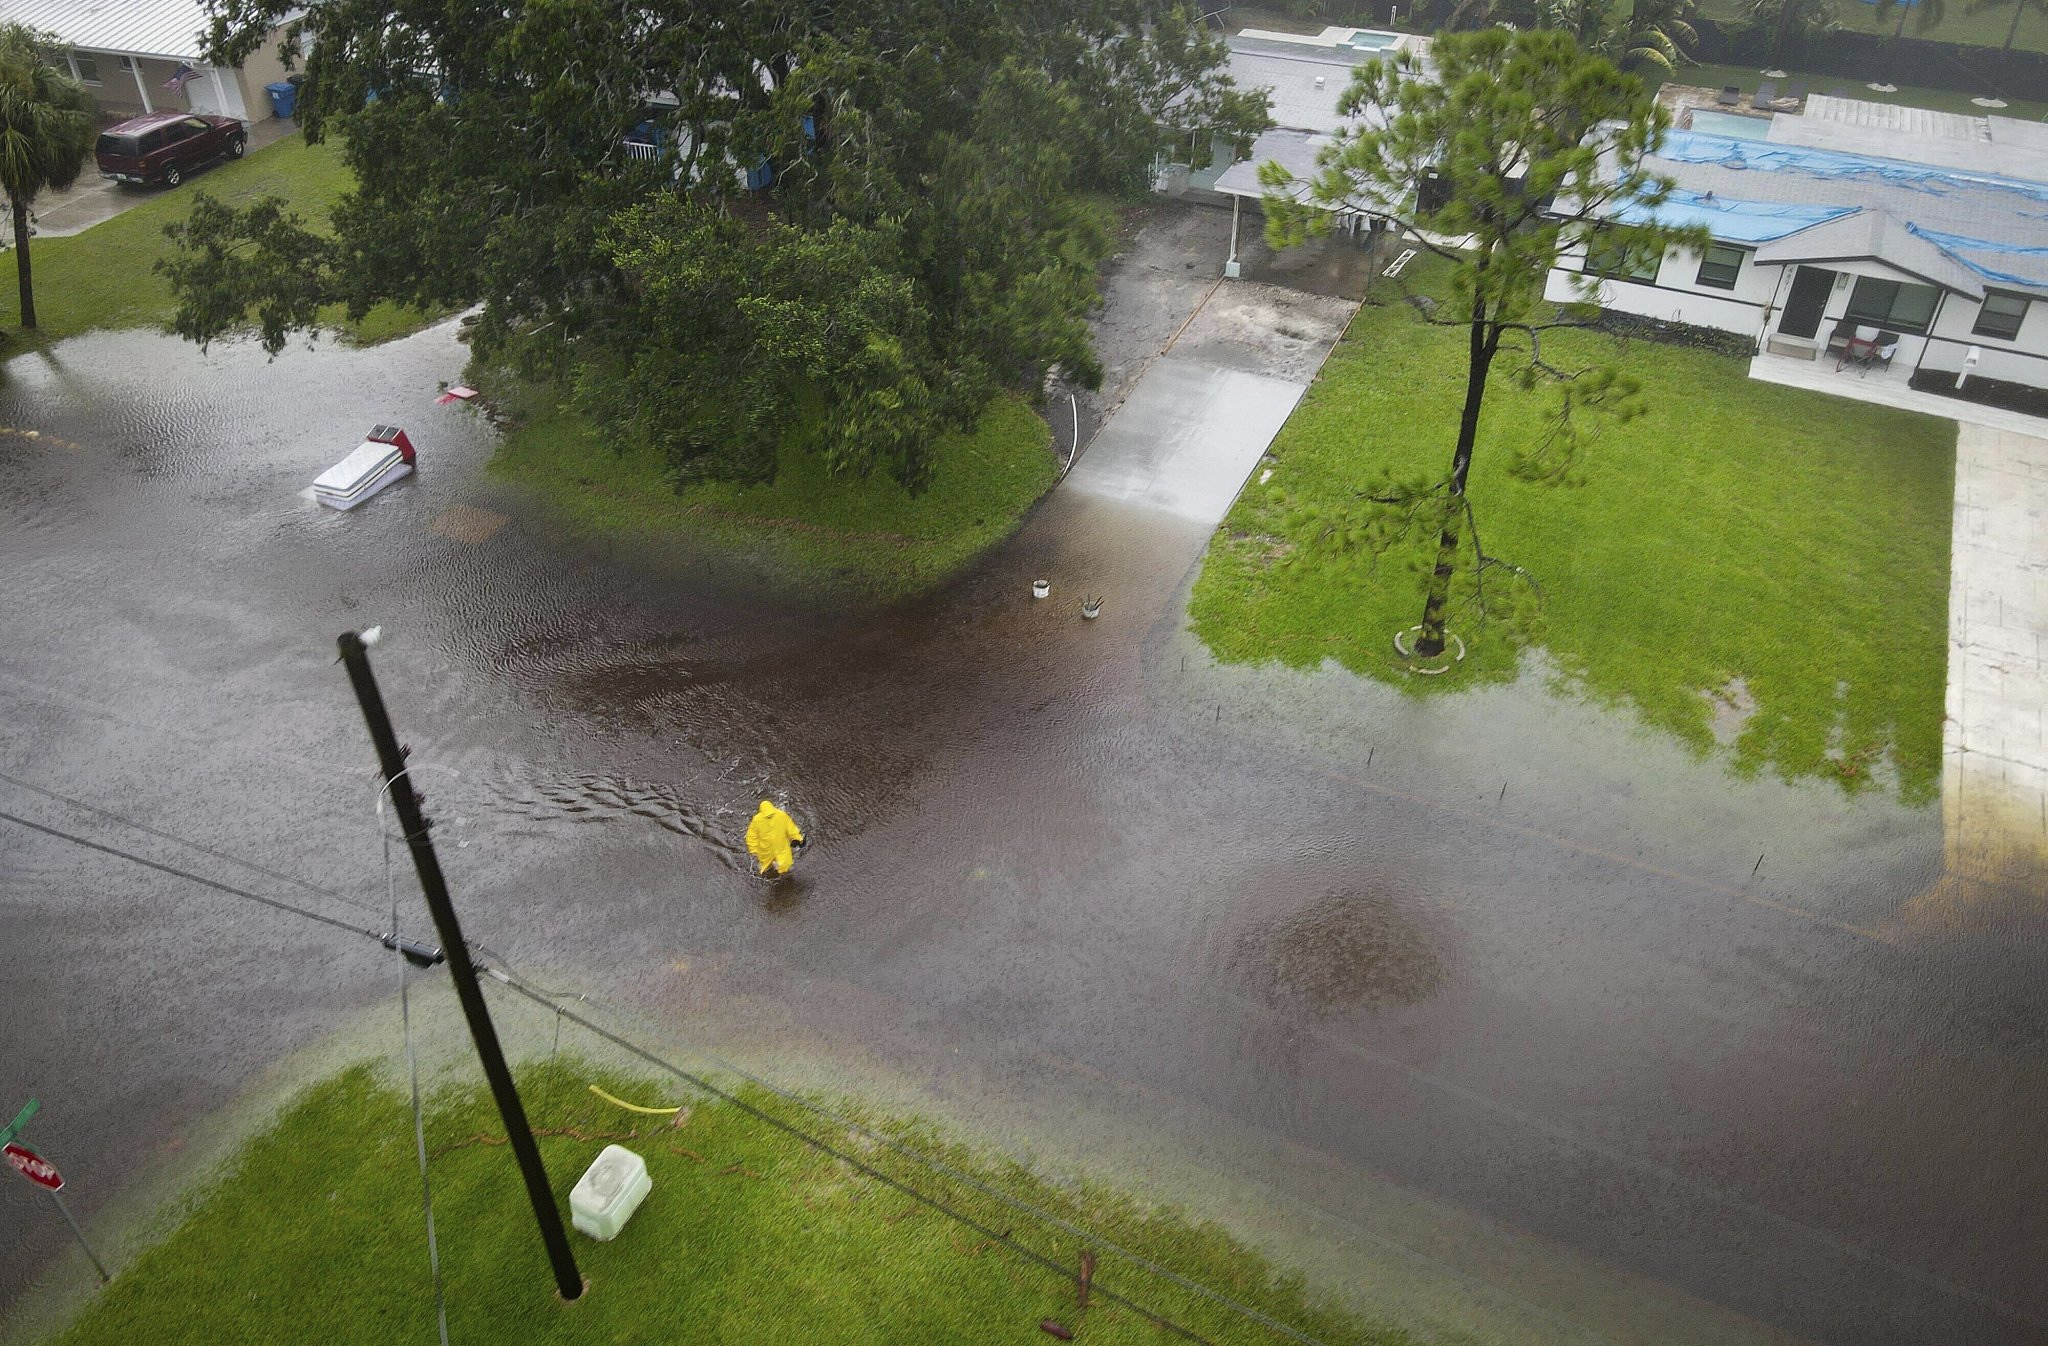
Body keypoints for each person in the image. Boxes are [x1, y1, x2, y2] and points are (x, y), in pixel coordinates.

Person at [744, 799, 805, 878]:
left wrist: (753, 850)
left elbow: (751, 837)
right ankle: (782, 875)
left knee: (765, 866)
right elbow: (791, 829)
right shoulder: (782, 815)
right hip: (780, 846)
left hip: (765, 849)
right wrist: (798, 838)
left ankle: (771, 872)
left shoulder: (757, 820)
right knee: (785, 865)